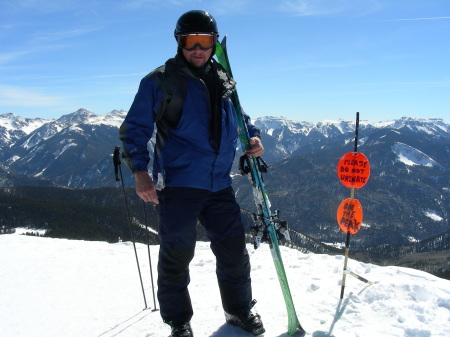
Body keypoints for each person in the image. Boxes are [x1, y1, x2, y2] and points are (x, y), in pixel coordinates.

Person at [119, 10, 265, 337]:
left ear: (213, 44)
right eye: (190, 41)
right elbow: (134, 130)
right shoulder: (160, 81)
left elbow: (241, 118)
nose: (197, 49)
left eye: (205, 42)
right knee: (177, 256)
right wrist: (140, 173)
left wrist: (252, 137)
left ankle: (239, 311)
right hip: (178, 185)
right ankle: (179, 323)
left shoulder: (224, 79)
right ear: (179, 42)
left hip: (218, 185)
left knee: (233, 252)